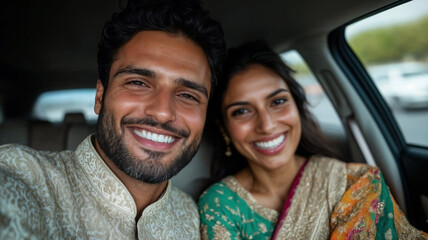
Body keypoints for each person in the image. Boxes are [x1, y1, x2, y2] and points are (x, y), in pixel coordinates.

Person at [0, 0, 226, 239]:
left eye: (188, 95)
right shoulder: (22, 175)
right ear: (100, 96)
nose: (162, 112)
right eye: (138, 83)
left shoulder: (190, 215)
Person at [198, 40, 427, 239]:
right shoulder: (220, 205)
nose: (266, 125)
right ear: (224, 128)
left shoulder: (353, 183)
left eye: (278, 102)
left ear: (297, 106)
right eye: (242, 111)